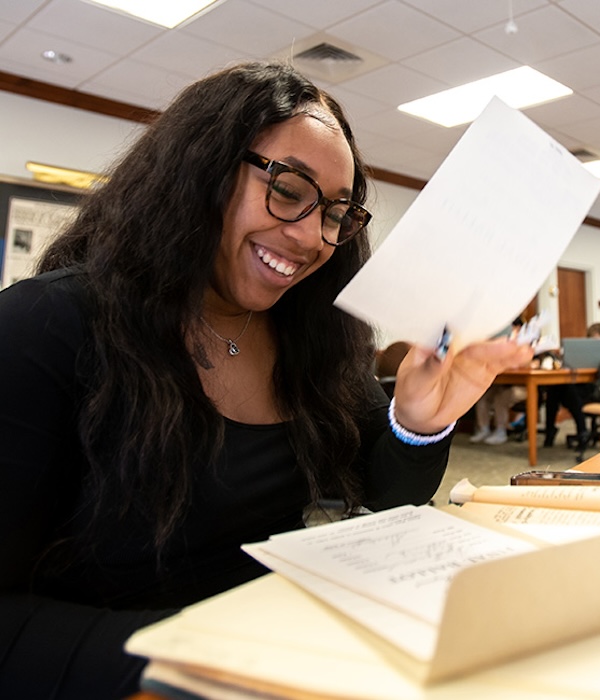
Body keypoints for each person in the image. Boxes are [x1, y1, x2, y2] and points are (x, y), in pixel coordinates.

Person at [0, 61, 532, 699]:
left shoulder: (309, 338)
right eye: (287, 187)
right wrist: (204, 656)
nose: (311, 236)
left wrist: (417, 423)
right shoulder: (46, 326)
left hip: (283, 657)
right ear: (200, 170)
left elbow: (386, 499)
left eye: (336, 213)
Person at [543, 322, 600, 447]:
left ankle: (580, 431)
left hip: (597, 391)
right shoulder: (580, 352)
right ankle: (554, 430)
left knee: (569, 391)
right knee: (556, 388)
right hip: (580, 388)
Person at [470, 318, 527, 445]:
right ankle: (483, 429)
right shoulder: (501, 345)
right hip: (503, 384)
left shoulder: (526, 343)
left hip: (523, 387)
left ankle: (500, 431)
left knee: (500, 398)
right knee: (483, 396)